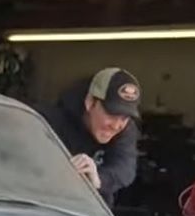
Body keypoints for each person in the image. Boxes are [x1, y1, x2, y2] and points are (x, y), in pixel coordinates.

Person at [39, 67, 142, 204]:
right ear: (90, 102)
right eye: (112, 113)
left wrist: (98, 179)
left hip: (92, 214)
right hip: (45, 205)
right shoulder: (49, 122)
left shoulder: (125, 129)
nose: (116, 125)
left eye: (124, 117)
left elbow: (125, 169)